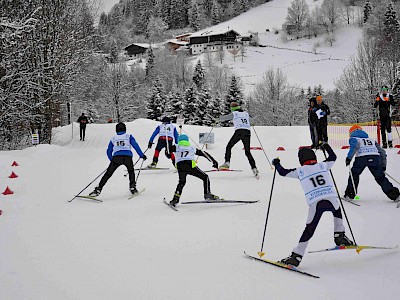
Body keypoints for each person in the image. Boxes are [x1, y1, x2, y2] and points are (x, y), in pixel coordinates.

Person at [271, 143, 354, 267]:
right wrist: (326, 147)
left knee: (309, 229)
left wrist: (276, 163)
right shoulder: (322, 165)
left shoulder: (300, 171)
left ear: (301, 160)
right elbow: (333, 157)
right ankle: (340, 236)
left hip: (316, 202)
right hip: (331, 199)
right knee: (337, 211)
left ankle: (296, 256)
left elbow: (282, 172)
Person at [343, 125, 399, 203]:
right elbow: (382, 152)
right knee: (381, 178)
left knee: (354, 175)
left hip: (361, 158)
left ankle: (350, 195)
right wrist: (383, 166)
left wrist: (349, 158)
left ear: (351, 132)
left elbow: (354, 147)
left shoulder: (354, 138)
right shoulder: (371, 140)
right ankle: (395, 195)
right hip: (375, 158)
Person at [89, 122, 147, 197]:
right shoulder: (129, 136)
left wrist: (111, 159)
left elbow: (108, 150)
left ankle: (98, 189)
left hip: (116, 158)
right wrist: (142, 155)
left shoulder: (113, 138)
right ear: (125, 129)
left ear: (116, 130)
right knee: (131, 172)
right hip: (127, 157)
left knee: (108, 174)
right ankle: (132, 187)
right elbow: (136, 146)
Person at [168, 134, 219, 207]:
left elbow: (168, 150)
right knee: (205, 177)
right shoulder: (191, 147)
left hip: (180, 166)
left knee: (181, 182)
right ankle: (207, 194)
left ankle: (175, 199)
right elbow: (204, 154)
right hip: (190, 165)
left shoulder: (176, 146)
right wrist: (214, 161)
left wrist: (168, 153)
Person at [218, 102, 259, 177]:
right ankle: (254, 168)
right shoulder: (245, 114)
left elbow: (224, 118)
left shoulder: (234, 113)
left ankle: (227, 163)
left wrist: (217, 119)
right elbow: (252, 120)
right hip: (247, 132)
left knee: (229, 146)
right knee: (247, 151)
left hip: (239, 131)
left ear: (232, 108)